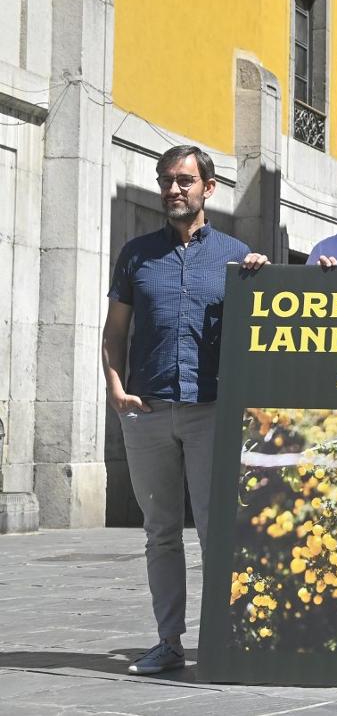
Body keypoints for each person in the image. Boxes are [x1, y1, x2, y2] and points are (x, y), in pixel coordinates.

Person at [101, 146, 269, 676]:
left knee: (219, 530)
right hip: (147, 410)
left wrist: (260, 280)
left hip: (210, 411)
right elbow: (115, 331)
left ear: (208, 188)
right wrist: (113, 386)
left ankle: (224, 640)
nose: (174, 189)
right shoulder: (136, 255)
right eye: (166, 180)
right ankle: (169, 641)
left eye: (185, 181)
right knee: (161, 533)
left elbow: (262, 329)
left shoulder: (236, 254)